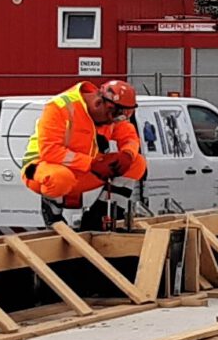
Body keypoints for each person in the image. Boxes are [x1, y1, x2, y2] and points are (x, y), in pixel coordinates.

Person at [23, 78, 147, 229]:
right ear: (98, 104)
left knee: (137, 163)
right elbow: (50, 151)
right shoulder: (59, 107)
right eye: (112, 118)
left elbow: (129, 137)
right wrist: (92, 163)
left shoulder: (111, 114)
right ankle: (53, 217)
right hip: (42, 170)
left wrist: (127, 154)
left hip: (83, 171)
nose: (112, 123)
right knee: (60, 177)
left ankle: (98, 217)